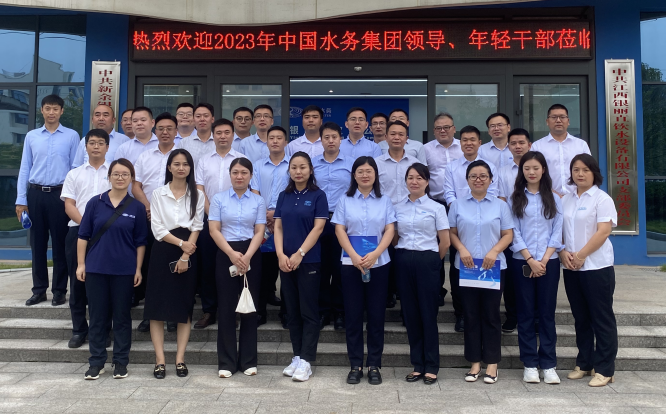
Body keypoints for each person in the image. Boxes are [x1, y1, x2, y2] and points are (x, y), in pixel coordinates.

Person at [77, 158, 148, 380]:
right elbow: (83, 236)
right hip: (96, 269)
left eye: (125, 174)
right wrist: (81, 264)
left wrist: (138, 269)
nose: (120, 178)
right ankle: (96, 362)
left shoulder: (136, 207)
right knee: (98, 317)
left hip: (124, 271)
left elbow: (141, 242)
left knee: (122, 318)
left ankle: (120, 362)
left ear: (131, 178)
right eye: (116, 174)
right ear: (109, 177)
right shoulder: (95, 203)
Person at [332, 156, 395, 386]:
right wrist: (353, 255)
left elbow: (390, 230)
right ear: (354, 175)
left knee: (376, 316)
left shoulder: (384, 200)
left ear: (375, 174)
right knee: (353, 315)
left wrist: (376, 253)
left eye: (369, 171)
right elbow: (339, 230)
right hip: (351, 264)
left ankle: (374, 364)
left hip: (379, 264)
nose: (365, 175)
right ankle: (355, 364)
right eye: (360, 171)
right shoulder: (345, 200)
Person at [449, 160, 513, 384]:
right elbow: (452, 232)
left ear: (490, 180)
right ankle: (475, 362)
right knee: (471, 314)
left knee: (491, 314)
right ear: (467, 180)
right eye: (473, 176)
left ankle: (492, 363)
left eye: (483, 176)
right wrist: (461, 249)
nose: (478, 179)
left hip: (492, 268)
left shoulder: (500, 206)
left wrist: (494, 251)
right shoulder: (457, 205)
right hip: (466, 268)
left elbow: (508, 234)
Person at [144, 149, 204, 379]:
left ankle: (180, 359)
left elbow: (197, 226)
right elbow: (158, 228)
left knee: (183, 306)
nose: (181, 168)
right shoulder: (158, 193)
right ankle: (160, 360)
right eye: (176, 164)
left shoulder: (197, 194)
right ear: (169, 167)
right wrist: (182, 244)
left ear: (190, 168)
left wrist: (186, 255)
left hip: (189, 250)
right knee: (156, 308)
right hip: (163, 249)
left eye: (185, 164)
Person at [560, 154, 618, 387]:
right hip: (571, 267)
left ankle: (604, 369)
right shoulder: (566, 199)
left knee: (601, 318)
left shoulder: (602, 199)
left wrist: (582, 255)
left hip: (597, 267)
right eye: (576, 170)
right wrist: (563, 253)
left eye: (585, 169)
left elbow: (603, 232)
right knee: (581, 318)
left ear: (594, 172)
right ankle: (584, 363)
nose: (580, 174)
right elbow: (560, 230)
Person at [16, 94, 80, 307]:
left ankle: (59, 291)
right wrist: (21, 200)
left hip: (60, 194)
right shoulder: (32, 136)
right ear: (41, 110)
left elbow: (75, 169)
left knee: (61, 244)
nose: (51, 112)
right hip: (35, 194)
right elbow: (25, 168)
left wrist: (73, 198)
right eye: (47, 108)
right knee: (38, 244)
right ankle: (39, 290)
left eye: (55, 109)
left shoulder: (71, 136)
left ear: (62, 111)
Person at [509, 151, 563, 385]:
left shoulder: (554, 198)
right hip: (522, 262)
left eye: (535, 168)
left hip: (549, 262)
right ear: (522, 171)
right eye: (527, 168)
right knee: (526, 313)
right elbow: (513, 232)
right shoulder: (515, 199)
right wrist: (530, 259)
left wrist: (544, 259)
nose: (531, 172)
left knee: (547, 314)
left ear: (543, 170)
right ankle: (530, 363)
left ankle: (549, 364)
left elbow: (558, 231)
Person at [393, 163, 450, 385]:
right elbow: (394, 237)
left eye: (419, 178)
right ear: (405, 181)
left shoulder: (437, 208)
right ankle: (417, 365)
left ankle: (432, 366)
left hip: (428, 260)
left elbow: (444, 241)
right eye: (410, 177)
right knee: (410, 314)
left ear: (427, 181)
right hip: (403, 259)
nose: (414, 181)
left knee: (428, 314)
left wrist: (433, 261)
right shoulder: (397, 207)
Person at [210, 157, 266, 378]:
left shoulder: (258, 201)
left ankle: (248, 361)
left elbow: (259, 230)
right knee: (226, 308)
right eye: (235, 172)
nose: (239, 176)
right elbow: (214, 230)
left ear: (251, 176)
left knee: (250, 307)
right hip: (226, 252)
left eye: (244, 172)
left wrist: (248, 256)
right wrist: (232, 255)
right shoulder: (219, 199)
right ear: (230, 175)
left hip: (251, 252)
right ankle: (226, 362)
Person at [274, 152, 328, 382]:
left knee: (308, 311)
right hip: (285, 261)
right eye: (294, 167)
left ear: (310, 170)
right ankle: (296, 356)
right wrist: (280, 254)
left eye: (303, 167)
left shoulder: (318, 195)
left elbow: (318, 228)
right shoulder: (284, 196)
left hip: (309, 260)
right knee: (292, 311)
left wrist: (300, 254)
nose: (298, 171)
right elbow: (278, 227)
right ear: (289, 171)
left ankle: (307, 360)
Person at [443, 125, 499, 332]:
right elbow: (448, 192)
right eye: (464, 140)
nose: (468, 143)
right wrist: (461, 211)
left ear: (479, 142)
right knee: (458, 267)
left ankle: (486, 312)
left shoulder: (490, 166)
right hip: (460, 221)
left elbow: (493, 191)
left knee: (487, 262)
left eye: (472, 139)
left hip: (487, 221)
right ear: (460, 143)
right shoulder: (452, 167)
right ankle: (461, 313)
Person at [61, 129, 112, 349]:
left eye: (100, 143)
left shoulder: (115, 173)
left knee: (104, 285)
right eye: (92, 143)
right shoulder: (74, 174)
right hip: (77, 232)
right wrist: (86, 226)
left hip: (108, 235)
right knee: (78, 283)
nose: (96, 146)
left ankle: (102, 331)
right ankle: (79, 330)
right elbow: (69, 204)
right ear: (86, 146)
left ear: (107, 147)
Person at [194, 118, 247, 329]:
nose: (222, 136)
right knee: (208, 266)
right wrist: (214, 215)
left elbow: (247, 187)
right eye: (219, 133)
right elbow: (199, 190)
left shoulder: (242, 159)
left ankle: (233, 310)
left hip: (236, 222)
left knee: (234, 266)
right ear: (213, 135)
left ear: (233, 135)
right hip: (209, 221)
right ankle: (209, 310)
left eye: (227, 132)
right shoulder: (204, 161)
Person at [132, 112, 179, 332]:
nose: (165, 132)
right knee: (152, 267)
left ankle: (172, 314)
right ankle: (151, 315)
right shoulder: (145, 157)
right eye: (161, 128)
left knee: (173, 267)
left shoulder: (183, 156)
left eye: (169, 128)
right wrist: (149, 207)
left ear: (176, 131)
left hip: (176, 221)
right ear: (155, 130)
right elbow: (136, 186)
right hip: (150, 218)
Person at [375, 120, 422, 309]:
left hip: (409, 217)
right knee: (385, 257)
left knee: (405, 257)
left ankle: (404, 295)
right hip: (383, 218)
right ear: (386, 137)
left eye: (401, 134)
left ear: (406, 138)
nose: (396, 137)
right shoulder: (376, 164)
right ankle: (388, 293)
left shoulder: (415, 164)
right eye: (392, 134)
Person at [312, 122, 354, 331]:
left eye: (334, 137)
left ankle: (340, 312)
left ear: (340, 139)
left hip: (341, 221)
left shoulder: (351, 163)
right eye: (326, 137)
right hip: (317, 221)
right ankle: (322, 311)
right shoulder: (311, 164)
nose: (330, 141)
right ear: (321, 140)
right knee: (320, 267)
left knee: (340, 269)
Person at [250, 126, 290, 326]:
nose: (275, 141)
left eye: (279, 138)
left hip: (287, 221)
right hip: (263, 222)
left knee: (287, 267)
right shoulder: (257, 165)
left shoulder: (293, 165)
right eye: (271, 138)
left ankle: (286, 313)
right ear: (266, 142)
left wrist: (277, 215)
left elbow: (293, 191)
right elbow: (254, 191)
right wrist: (266, 216)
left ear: (286, 142)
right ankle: (260, 311)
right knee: (263, 268)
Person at [424, 113, 463, 307]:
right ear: (434, 131)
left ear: (454, 129)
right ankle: (437, 291)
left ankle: (459, 295)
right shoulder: (426, 149)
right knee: (435, 248)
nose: (443, 131)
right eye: (439, 128)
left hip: (460, 205)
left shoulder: (464, 147)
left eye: (447, 127)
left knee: (458, 249)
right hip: (435, 203)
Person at [496, 128, 532, 334]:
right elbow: (501, 200)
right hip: (510, 228)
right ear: (508, 146)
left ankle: (534, 317)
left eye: (521, 143)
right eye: (513, 143)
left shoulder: (538, 168)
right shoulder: (501, 171)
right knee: (510, 275)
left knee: (533, 272)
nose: (517, 146)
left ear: (529, 145)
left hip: (534, 229)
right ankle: (512, 315)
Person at [530, 104, 591, 197]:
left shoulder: (581, 145)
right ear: (547, 121)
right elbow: (533, 173)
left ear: (568, 121)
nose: (558, 120)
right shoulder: (537, 146)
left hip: (577, 197)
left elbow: (589, 171)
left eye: (562, 117)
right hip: (547, 197)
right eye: (554, 117)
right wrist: (554, 195)